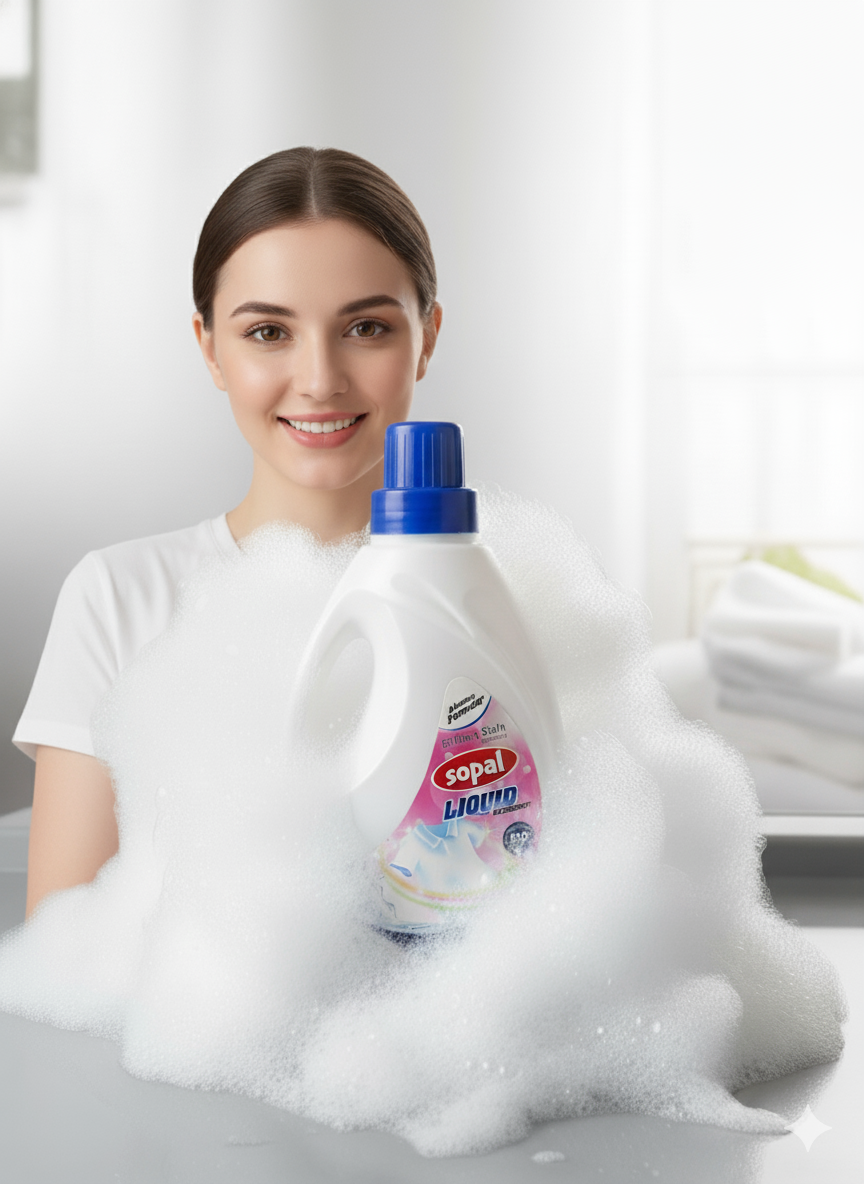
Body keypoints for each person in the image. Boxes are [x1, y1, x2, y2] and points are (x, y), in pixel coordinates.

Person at [14, 147, 442, 918]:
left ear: (427, 338)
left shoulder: (512, 603)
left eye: (366, 327)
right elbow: (66, 940)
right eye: (269, 332)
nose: (320, 379)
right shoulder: (120, 599)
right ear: (211, 348)